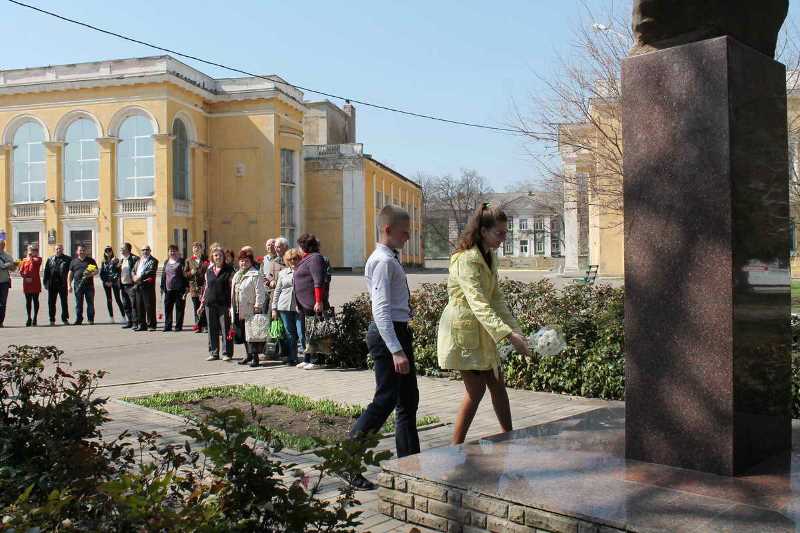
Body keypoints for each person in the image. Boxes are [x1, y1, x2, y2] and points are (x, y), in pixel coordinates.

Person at [437, 204, 531, 445]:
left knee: (498, 385)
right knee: (476, 390)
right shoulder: (465, 260)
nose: (504, 237)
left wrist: (516, 331)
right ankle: (454, 447)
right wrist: (508, 336)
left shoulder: (489, 256)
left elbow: (496, 298)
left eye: (505, 232)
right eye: (499, 233)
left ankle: (508, 436)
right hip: (465, 331)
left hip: (483, 328)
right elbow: (478, 303)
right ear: (482, 231)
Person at [348, 206, 418, 489]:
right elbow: (381, 309)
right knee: (386, 400)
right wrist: (396, 350)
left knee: (407, 401)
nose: (408, 237)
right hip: (388, 335)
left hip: (397, 332)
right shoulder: (383, 261)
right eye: (404, 232)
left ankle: (411, 465)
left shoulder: (389, 259)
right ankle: (347, 460)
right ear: (388, 230)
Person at [293, 234, 331, 370]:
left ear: (304, 246)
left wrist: (319, 301)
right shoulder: (305, 259)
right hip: (303, 304)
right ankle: (307, 358)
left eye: (299, 246)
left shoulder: (315, 258)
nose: (298, 248)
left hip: (313, 304)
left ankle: (317, 360)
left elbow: (318, 281)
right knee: (307, 332)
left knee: (316, 332)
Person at [232, 250, 267, 367]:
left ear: (251, 262)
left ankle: (255, 358)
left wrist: (258, 305)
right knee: (243, 334)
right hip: (238, 308)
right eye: (241, 261)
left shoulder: (256, 274)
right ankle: (248, 355)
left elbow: (260, 291)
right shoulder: (237, 274)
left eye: (246, 261)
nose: (243, 263)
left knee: (252, 333)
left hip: (250, 307)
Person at [272, 248, 303, 367]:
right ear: (287, 260)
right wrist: (274, 308)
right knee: (289, 333)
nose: (293, 261)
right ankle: (292, 357)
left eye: (295, 258)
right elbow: (277, 290)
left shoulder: (302, 271)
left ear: (299, 259)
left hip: (299, 306)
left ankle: (307, 357)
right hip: (284, 306)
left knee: (301, 333)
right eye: (290, 259)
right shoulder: (283, 273)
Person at [202, 248, 234, 361]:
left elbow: (232, 288)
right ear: (212, 257)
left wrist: (231, 306)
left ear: (223, 257)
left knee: (225, 329)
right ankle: (213, 352)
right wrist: (201, 304)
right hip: (209, 303)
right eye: (215, 255)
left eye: (220, 255)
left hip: (224, 304)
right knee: (211, 328)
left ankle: (227, 353)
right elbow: (206, 287)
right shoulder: (209, 270)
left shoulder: (229, 270)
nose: (218, 257)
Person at [264, 237, 289, 359]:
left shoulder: (291, 261)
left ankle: (284, 352)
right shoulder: (273, 262)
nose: (276, 249)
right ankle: (270, 352)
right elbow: (267, 279)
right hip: (274, 298)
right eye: (276, 247)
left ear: (286, 247)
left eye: (279, 246)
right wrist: (270, 282)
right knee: (272, 325)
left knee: (284, 326)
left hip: (287, 299)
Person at [67, 245, 98, 326]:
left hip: (89, 286)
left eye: (83, 250)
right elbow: (70, 274)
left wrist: (89, 275)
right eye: (80, 250)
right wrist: (69, 285)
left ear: (86, 251)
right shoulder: (73, 261)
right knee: (78, 304)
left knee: (90, 303)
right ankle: (78, 320)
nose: (82, 252)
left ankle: (90, 319)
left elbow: (96, 271)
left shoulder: (91, 260)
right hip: (78, 286)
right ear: (77, 252)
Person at [161, 244, 188, 332]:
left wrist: (186, 287)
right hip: (168, 289)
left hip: (179, 289)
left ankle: (178, 326)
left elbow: (185, 275)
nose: (172, 252)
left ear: (177, 252)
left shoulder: (182, 261)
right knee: (168, 308)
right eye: (170, 251)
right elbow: (163, 275)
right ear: (168, 252)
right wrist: (162, 286)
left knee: (179, 308)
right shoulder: (166, 262)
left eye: (174, 251)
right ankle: (168, 326)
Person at [43, 243, 71, 325]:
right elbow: (46, 272)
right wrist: (46, 283)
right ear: (54, 250)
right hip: (52, 284)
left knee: (64, 302)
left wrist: (69, 282)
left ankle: (65, 319)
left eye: (60, 249)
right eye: (57, 249)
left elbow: (71, 271)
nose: (58, 250)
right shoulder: (50, 259)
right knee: (51, 303)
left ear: (62, 250)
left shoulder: (68, 259)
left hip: (62, 283)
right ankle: (52, 319)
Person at [132, 245, 159, 331]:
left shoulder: (153, 261)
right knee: (139, 306)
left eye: (147, 250)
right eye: (143, 250)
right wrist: (133, 277)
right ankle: (142, 325)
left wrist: (139, 277)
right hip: (138, 286)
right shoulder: (139, 260)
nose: (145, 251)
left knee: (149, 306)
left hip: (148, 286)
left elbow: (150, 272)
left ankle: (152, 325)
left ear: (150, 251)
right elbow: (133, 270)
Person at [186, 242, 208, 333]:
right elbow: (185, 274)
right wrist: (191, 272)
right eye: (195, 247)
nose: (196, 249)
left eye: (198, 247)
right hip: (194, 288)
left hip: (204, 287)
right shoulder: (189, 260)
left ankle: (205, 325)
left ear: (201, 249)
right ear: (192, 249)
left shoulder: (206, 260)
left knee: (204, 306)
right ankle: (198, 325)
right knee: (196, 306)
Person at [100, 246, 126, 324]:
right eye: (106, 251)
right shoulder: (103, 261)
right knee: (109, 300)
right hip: (106, 283)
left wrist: (113, 280)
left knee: (118, 299)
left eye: (110, 251)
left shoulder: (116, 260)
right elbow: (102, 273)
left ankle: (124, 317)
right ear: (104, 252)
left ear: (112, 251)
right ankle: (111, 317)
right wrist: (105, 281)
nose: (108, 252)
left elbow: (118, 272)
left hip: (114, 282)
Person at [19, 244, 43, 327]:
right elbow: (21, 271)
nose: (31, 252)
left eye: (33, 250)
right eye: (30, 250)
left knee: (35, 300)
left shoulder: (38, 259)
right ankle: (29, 317)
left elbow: (36, 264)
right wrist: (25, 277)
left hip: (35, 283)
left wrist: (31, 257)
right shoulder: (24, 260)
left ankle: (35, 317)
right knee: (28, 301)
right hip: (27, 283)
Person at [118, 243, 139, 329]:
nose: (121, 250)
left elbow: (137, 271)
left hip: (131, 285)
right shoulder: (122, 260)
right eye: (121, 248)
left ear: (128, 249)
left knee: (133, 305)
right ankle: (129, 321)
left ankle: (135, 323)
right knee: (126, 305)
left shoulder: (134, 259)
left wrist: (136, 284)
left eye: (123, 248)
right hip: (123, 285)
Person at [0, 240, 12, 327]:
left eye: (2, 245)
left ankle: (1, 321)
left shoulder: (7, 256)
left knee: (3, 303)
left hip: (4, 282)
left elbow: (13, 268)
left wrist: (7, 265)